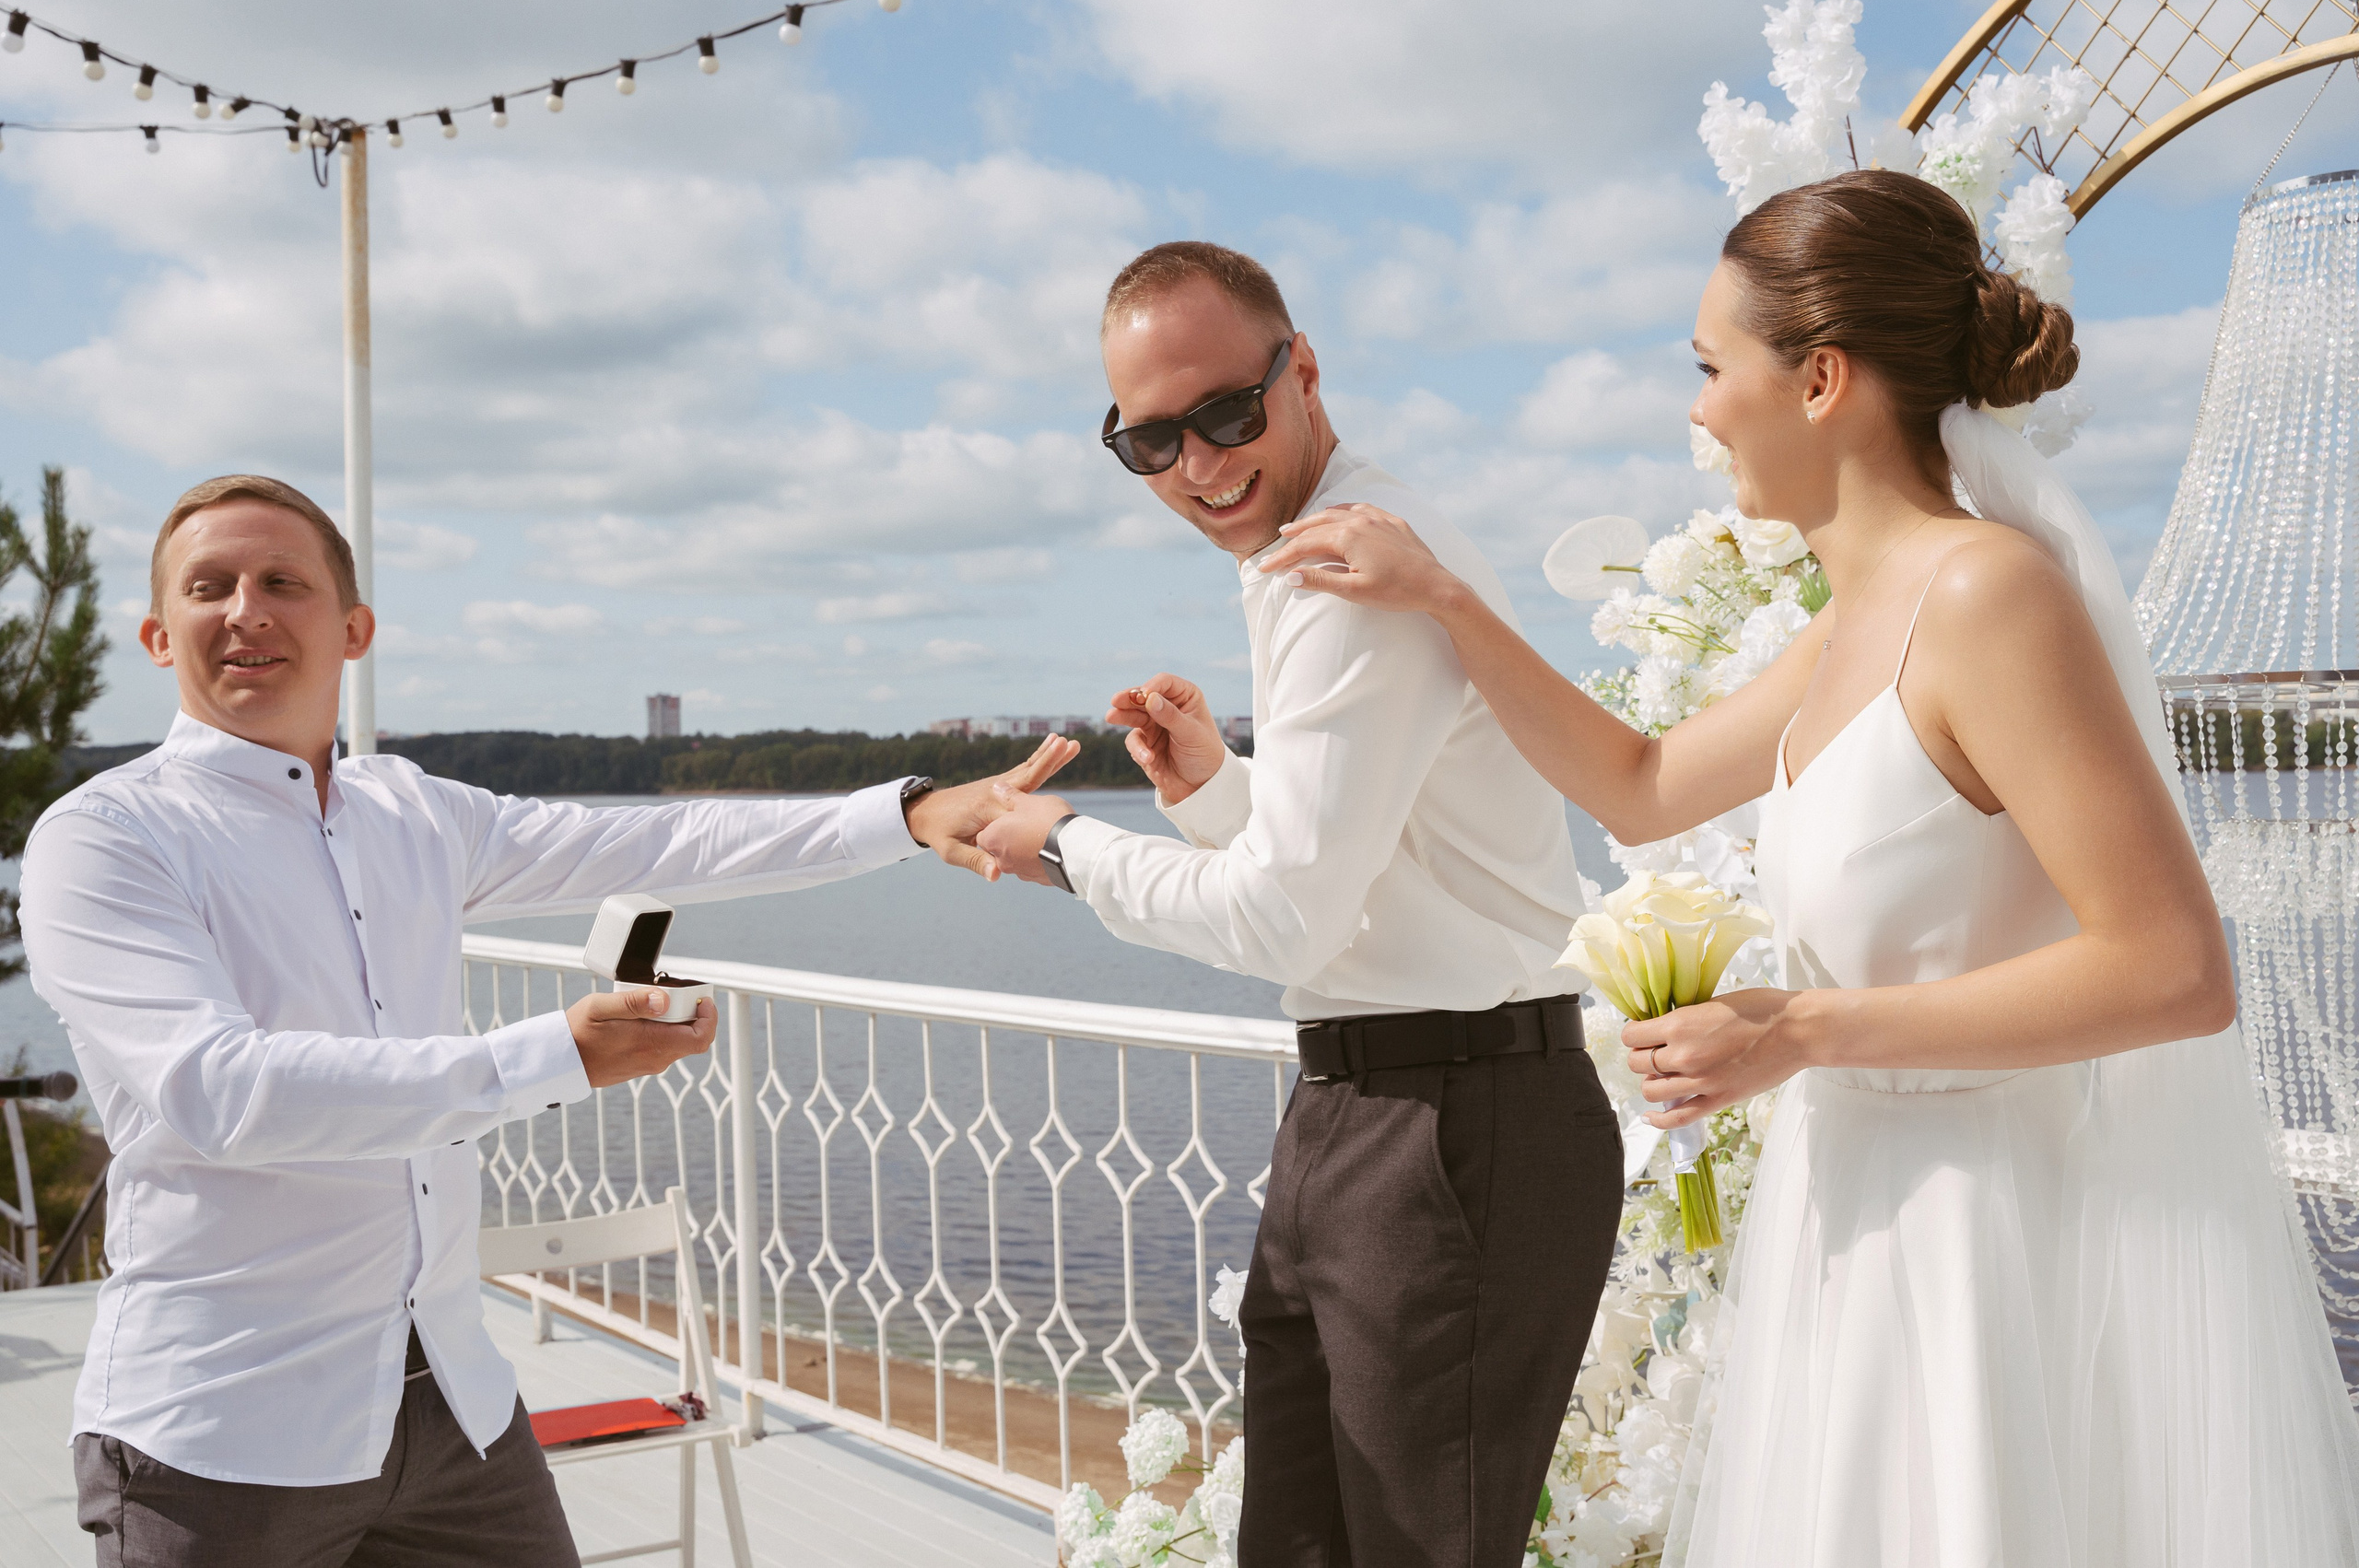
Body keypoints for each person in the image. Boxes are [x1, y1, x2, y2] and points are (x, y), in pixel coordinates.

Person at [1254, 170, 2359, 1564]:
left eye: (1716, 367)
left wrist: (1802, 1026)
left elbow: (2176, 968)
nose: (1701, 409)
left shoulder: (1986, 595)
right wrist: (1444, 599)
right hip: (1844, 1216)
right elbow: (1639, 787)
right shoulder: (1854, 617)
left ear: (1822, 378)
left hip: (1975, 1246)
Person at [21, 474, 1074, 1568]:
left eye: (282, 581)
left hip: (449, 1403)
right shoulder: (107, 837)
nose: (246, 609)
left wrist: (903, 815)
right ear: (157, 634)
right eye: (210, 587)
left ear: (354, 628)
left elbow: (658, 846)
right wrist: (558, 1054)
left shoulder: (412, 812)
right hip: (226, 1434)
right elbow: (225, 1092)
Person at [979, 241, 1625, 1567]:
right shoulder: (1305, 556)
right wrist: (1221, 791)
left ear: (1303, 369)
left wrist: (1065, 850)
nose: (1203, 465)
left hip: (1457, 1124)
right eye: (1153, 442)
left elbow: (1287, 922)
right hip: (1373, 1107)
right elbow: (1376, 860)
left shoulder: (1351, 568)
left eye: (1228, 414)